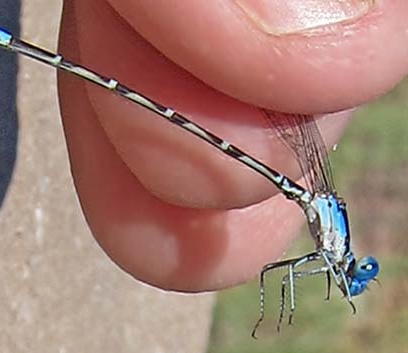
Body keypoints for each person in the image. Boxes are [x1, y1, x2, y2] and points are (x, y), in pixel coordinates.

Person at [58, 0, 408, 292]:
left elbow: (284, 271)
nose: (347, 277)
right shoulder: (334, 240)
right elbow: (283, 273)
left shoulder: (333, 247)